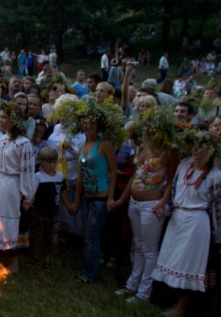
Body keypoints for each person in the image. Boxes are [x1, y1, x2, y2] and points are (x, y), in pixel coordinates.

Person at [152, 131, 221, 317]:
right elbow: (175, 189)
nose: (195, 150)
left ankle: (182, 307)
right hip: (178, 217)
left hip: (196, 222)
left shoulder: (216, 176)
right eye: (194, 145)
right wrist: (167, 207)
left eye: (201, 147)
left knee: (189, 264)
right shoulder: (184, 166)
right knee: (174, 258)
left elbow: (218, 207)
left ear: (210, 151)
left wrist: (218, 234)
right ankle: (172, 300)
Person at [114, 107, 179, 303]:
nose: (148, 129)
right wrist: (123, 199)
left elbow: (171, 180)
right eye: (147, 125)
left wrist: (162, 202)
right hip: (135, 202)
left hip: (152, 204)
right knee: (139, 245)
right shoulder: (143, 147)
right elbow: (136, 175)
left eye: (152, 126)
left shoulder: (170, 151)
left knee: (150, 249)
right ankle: (132, 284)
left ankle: (144, 292)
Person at [57, 98, 123, 283]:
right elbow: (80, 178)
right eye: (86, 123)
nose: (89, 127)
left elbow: (113, 172)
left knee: (92, 236)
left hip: (101, 199)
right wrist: (76, 201)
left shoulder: (105, 145)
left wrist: (110, 198)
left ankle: (89, 274)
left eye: (92, 123)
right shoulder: (82, 146)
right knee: (87, 235)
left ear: (99, 125)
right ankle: (89, 267)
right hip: (87, 197)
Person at [0, 101, 36, 273]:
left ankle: (14, 264)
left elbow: (27, 171)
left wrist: (27, 195)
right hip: (1, 185)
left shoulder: (23, 144)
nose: (1, 120)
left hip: (13, 187)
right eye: (0, 117)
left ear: (14, 120)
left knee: (12, 221)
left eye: (4, 117)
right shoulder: (1, 140)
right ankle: (1, 258)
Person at [29, 147, 68, 270]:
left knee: (50, 237)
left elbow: (62, 193)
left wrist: (69, 205)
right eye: (48, 162)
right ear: (42, 162)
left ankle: (47, 260)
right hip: (39, 212)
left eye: (54, 162)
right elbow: (32, 193)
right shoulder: (37, 177)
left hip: (53, 213)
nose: (52, 165)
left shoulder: (60, 177)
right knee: (36, 236)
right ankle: (35, 257)